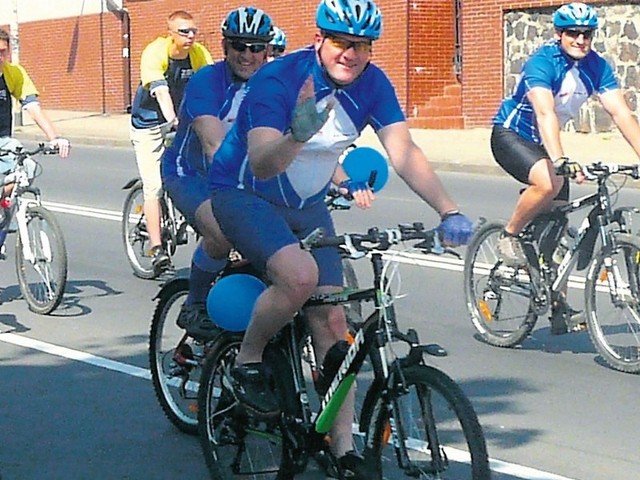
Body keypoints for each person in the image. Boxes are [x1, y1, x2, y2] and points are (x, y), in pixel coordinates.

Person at [207, 0, 473, 475]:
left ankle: (343, 447)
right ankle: (247, 359)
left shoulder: (373, 83)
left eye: (361, 45)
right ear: (318, 41)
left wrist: (447, 208)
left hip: (306, 204)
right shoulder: (279, 79)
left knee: (334, 325)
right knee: (299, 275)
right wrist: (297, 135)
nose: (350, 54)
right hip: (244, 193)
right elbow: (264, 161)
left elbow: (403, 150)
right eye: (340, 43)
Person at [491, 2, 640, 332]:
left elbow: (621, 114)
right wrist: (560, 160)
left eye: (587, 34)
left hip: (547, 145)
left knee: (556, 227)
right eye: (573, 33)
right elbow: (545, 114)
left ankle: (556, 302)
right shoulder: (543, 63)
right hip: (511, 136)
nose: (580, 40)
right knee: (548, 182)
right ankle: (509, 234)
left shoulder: (596, 67)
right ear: (559, 33)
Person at [161, 6, 275, 339]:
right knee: (223, 232)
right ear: (225, 47)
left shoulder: (271, 84)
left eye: (256, 47)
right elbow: (214, 146)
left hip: (241, 174)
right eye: (239, 46)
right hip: (189, 173)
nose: (247, 55)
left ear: (267, 50)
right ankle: (194, 303)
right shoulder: (206, 81)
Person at [130, 10, 212, 275]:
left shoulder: (198, 54)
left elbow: (212, 87)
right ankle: (156, 249)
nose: (189, 36)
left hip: (182, 122)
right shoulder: (155, 52)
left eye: (193, 31)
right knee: (154, 186)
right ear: (170, 33)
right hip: (149, 124)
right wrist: (174, 120)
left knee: (203, 175)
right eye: (183, 32)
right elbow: (161, 91)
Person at [0, 28, 70, 248]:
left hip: (3, 140)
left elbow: (33, 107)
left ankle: (2, 209)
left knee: (26, 168)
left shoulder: (13, 73)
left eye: (2, 51)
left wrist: (55, 137)